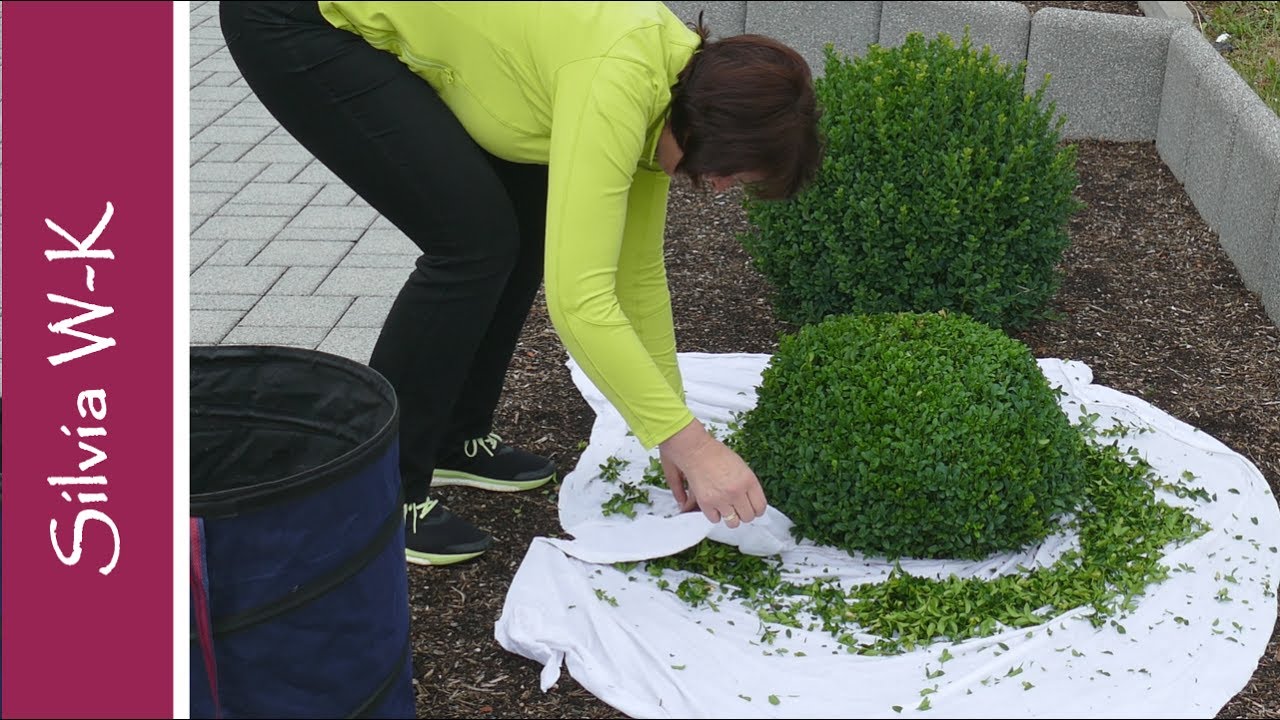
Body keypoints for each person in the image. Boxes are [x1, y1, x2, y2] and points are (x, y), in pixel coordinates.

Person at [219, 1, 823, 566]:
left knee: (526, 231)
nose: (718, 191)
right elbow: (580, 302)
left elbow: (636, 278)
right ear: (708, 129)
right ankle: (375, 497)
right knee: (470, 243)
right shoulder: (617, 81)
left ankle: (455, 439)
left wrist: (671, 431)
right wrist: (695, 446)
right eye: (728, 172)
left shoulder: (675, 91)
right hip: (298, 19)